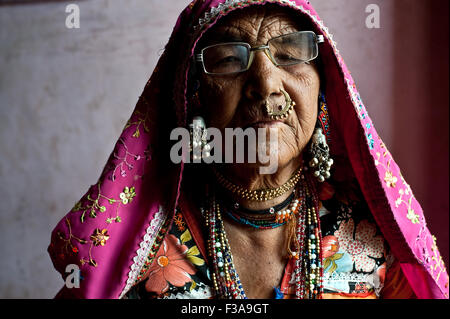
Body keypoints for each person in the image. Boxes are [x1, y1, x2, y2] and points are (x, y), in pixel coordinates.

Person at [48, 0, 448, 299]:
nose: (266, 82)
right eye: (228, 59)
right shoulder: (139, 252)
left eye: (290, 54)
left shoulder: (377, 244)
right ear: (195, 96)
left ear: (323, 86)